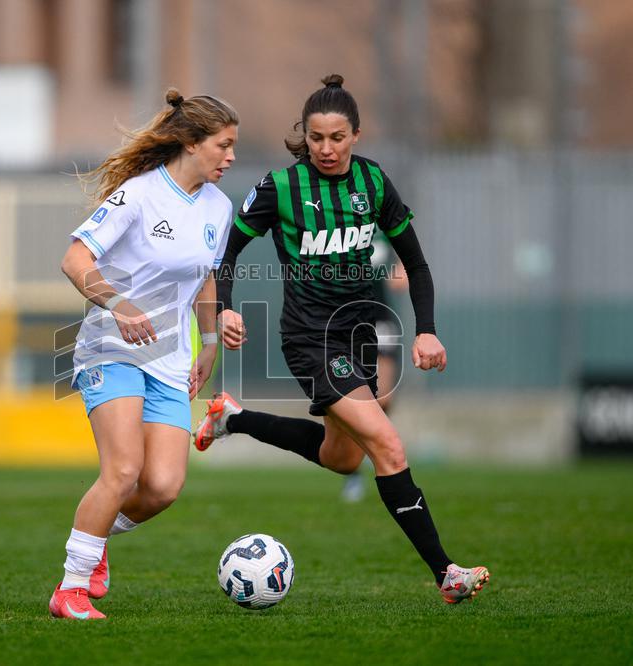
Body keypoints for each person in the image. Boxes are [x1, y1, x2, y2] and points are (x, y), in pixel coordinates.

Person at [195, 75, 489, 604]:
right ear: (303, 137)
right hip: (310, 338)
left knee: (342, 459)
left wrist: (427, 330)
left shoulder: (374, 184)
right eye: (315, 139)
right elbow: (227, 253)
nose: (326, 149)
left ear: (356, 134)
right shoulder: (281, 188)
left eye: (336, 137)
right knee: (388, 445)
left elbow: (417, 265)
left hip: (358, 336)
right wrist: (226, 310)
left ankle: (231, 418)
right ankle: (446, 573)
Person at [51, 89, 238, 620]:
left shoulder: (218, 207)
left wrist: (206, 344)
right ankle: (71, 589)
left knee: (162, 486)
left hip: (172, 357)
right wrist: (118, 303)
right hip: (111, 346)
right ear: (191, 142)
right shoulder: (137, 196)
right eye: (223, 146)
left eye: (233, 147)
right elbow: (74, 259)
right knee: (124, 470)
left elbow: (205, 280)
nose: (230, 157)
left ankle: (95, 538)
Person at [340, 239, 407, 503]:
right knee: (352, 400)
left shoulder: (386, 231)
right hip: (347, 320)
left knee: (384, 399)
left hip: (381, 318)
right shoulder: (340, 226)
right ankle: (353, 472)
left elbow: (402, 275)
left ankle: (378, 454)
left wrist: (401, 269)